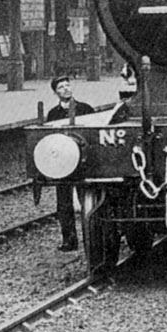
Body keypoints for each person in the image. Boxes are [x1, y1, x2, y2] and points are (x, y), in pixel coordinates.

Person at [45, 75, 98, 250]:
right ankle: (69, 240)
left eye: (68, 85)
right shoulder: (53, 114)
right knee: (64, 204)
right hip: (64, 164)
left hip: (84, 163)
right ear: (55, 92)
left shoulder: (85, 109)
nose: (66, 89)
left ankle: (92, 239)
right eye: (61, 87)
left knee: (89, 201)